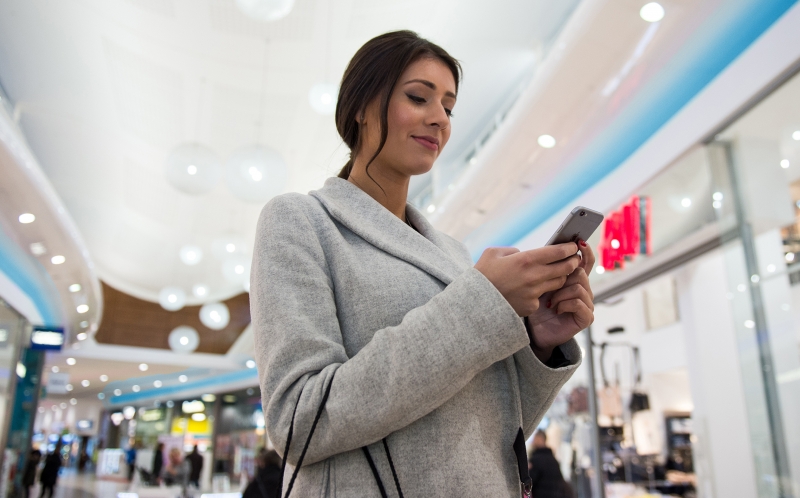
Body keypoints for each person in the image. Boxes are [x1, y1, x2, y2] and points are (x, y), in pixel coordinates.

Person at [251, 30, 595, 496]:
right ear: (360, 106)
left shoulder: (452, 252)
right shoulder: (301, 221)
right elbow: (298, 421)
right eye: (419, 97)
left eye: (449, 108)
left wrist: (540, 343)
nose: (440, 120)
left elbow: (490, 429)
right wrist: (481, 306)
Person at [529, 431, 573, 498]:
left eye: (534, 439)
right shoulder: (553, 459)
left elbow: (530, 481)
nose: (533, 442)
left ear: (540, 439)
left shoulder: (537, 459)